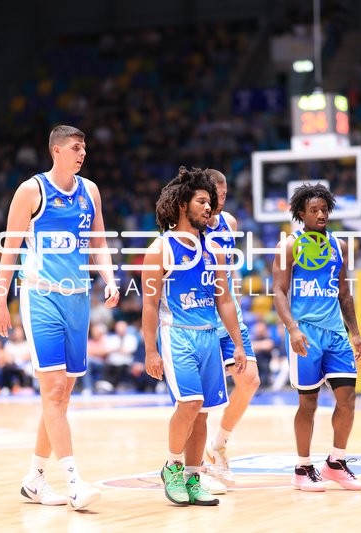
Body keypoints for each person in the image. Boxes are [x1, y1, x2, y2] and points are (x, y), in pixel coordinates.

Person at [0, 125, 119, 511]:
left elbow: (98, 241)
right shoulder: (31, 191)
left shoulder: (90, 191)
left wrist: (110, 279)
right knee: (53, 391)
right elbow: (10, 248)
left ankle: (34, 479)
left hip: (78, 300)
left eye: (85, 148)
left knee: (62, 396)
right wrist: (1, 299)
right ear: (57, 151)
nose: (83, 154)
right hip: (41, 297)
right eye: (77, 148)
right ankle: (75, 481)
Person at [142, 166, 247, 506]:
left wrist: (239, 345)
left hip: (208, 336)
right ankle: (171, 467)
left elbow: (225, 301)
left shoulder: (213, 250)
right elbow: (149, 305)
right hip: (177, 336)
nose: (208, 207)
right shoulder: (161, 249)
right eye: (202, 201)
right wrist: (150, 351)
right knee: (189, 404)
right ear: (183, 204)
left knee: (203, 412)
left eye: (211, 201)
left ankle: (192, 476)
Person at [272, 183, 361, 492]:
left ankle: (336, 462)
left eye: (324, 209)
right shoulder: (289, 245)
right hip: (306, 334)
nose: (321, 214)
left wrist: (355, 333)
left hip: (336, 333)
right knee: (308, 403)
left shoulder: (338, 246)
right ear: (301, 214)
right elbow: (280, 292)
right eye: (314, 210)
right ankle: (302, 468)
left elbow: (344, 294)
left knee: (348, 399)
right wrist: (292, 328)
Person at [201, 168, 261, 486]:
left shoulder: (230, 224)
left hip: (227, 313)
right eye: (216, 195)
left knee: (249, 379)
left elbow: (229, 272)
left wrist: (233, 301)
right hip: (197, 317)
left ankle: (219, 445)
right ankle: (192, 464)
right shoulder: (185, 224)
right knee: (201, 394)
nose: (221, 201)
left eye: (225, 195)